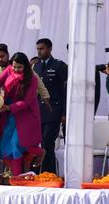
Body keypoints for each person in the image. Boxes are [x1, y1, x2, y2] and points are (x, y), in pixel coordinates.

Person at [0, 52, 43, 176]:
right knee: (6, 146)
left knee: (17, 144)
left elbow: (27, 102)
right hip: (8, 114)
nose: (16, 69)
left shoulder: (32, 79)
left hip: (26, 114)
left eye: (19, 67)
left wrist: (8, 107)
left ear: (26, 66)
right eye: (14, 66)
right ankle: (17, 177)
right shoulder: (9, 70)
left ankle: (40, 152)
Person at [33, 38, 68, 174]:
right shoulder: (36, 66)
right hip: (39, 112)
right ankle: (41, 174)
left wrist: (65, 113)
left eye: (42, 49)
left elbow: (65, 91)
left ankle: (50, 174)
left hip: (54, 111)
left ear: (49, 49)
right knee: (40, 144)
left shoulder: (59, 66)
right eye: (38, 49)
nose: (39, 51)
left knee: (48, 143)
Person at [0, 44, 51, 110]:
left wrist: (45, 96)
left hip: (27, 105)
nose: (0, 59)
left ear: (8, 54)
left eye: (2, 56)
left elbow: (38, 81)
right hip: (9, 107)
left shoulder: (25, 68)